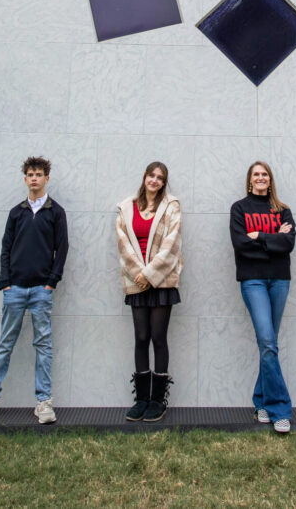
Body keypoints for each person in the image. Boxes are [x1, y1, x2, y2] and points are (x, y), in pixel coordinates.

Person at [0, 156, 68, 425]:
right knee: (5, 344)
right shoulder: (16, 212)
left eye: (38, 174)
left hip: (41, 291)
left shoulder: (56, 212)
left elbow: (63, 249)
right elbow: (6, 249)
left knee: (43, 345)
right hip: (15, 290)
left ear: (47, 178)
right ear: (25, 179)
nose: (34, 178)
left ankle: (43, 402)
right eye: (30, 174)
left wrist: (51, 282)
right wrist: (5, 282)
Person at [229, 161, 296, 434]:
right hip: (253, 279)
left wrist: (258, 235)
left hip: (280, 280)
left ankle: (261, 403)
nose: (260, 178)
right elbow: (240, 245)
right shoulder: (240, 208)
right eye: (256, 174)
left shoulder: (283, 210)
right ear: (250, 180)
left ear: (270, 180)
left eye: (264, 174)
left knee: (269, 345)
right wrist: (272, 240)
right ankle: (280, 409)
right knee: (268, 341)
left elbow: (289, 244)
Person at [116, 161, 182, 422]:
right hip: (136, 280)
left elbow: (172, 244)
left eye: (160, 177)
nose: (154, 180)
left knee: (158, 337)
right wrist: (139, 274)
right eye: (151, 175)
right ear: (144, 177)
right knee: (141, 337)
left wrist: (151, 274)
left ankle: (158, 401)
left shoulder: (171, 206)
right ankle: (141, 399)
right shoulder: (126, 207)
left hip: (162, 280)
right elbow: (123, 245)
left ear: (164, 182)